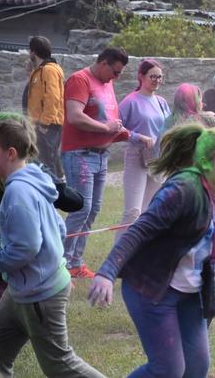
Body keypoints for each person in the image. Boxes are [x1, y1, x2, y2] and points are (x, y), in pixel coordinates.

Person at [88, 125, 215, 378]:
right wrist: (107, 272)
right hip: (151, 289)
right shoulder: (182, 190)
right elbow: (140, 230)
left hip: (190, 293)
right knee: (168, 370)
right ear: (206, 162)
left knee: (197, 367)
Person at [0, 117, 104, 378]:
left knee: (60, 365)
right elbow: (59, 227)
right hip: (20, 291)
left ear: (10, 153)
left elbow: (26, 248)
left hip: (39, 295)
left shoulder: (18, 192)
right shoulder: (36, 178)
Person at [61, 47, 132, 279]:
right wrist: (106, 128)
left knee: (93, 211)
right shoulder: (79, 80)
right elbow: (74, 115)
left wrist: (120, 132)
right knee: (80, 210)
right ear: (103, 63)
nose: (117, 77)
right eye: (116, 71)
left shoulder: (106, 83)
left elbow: (107, 119)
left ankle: (75, 263)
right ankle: (60, 265)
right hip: (80, 155)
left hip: (101, 156)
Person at [117, 59, 170, 239]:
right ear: (141, 76)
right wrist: (138, 137)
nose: (156, 80)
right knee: (133, 211)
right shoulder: (130, 101)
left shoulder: (162, 102)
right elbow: (117, 128)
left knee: (149, 209)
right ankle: (119, 253)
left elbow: (170, 126)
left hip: (157, 158)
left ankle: (139, 251)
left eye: (159, 77)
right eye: (152, 76)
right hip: (136, 156)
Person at [27, 36, 65, 179]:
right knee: (47, 162)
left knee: (48, 165)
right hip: (41, 124)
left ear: (33, 52)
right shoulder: (41, 70)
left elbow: (53, 98)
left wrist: (44, 123)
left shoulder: (49, 70)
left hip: (48, 125)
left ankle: (55, 197)